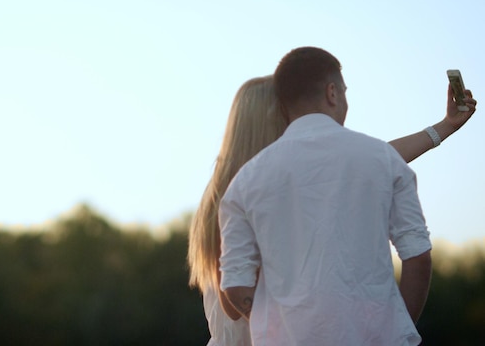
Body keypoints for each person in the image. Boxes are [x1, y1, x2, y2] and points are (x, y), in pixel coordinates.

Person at [189, 52, 477, 345]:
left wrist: (443, 128)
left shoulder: (257, 181)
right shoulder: (241, 192)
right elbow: (233, 300)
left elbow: (368, 161)